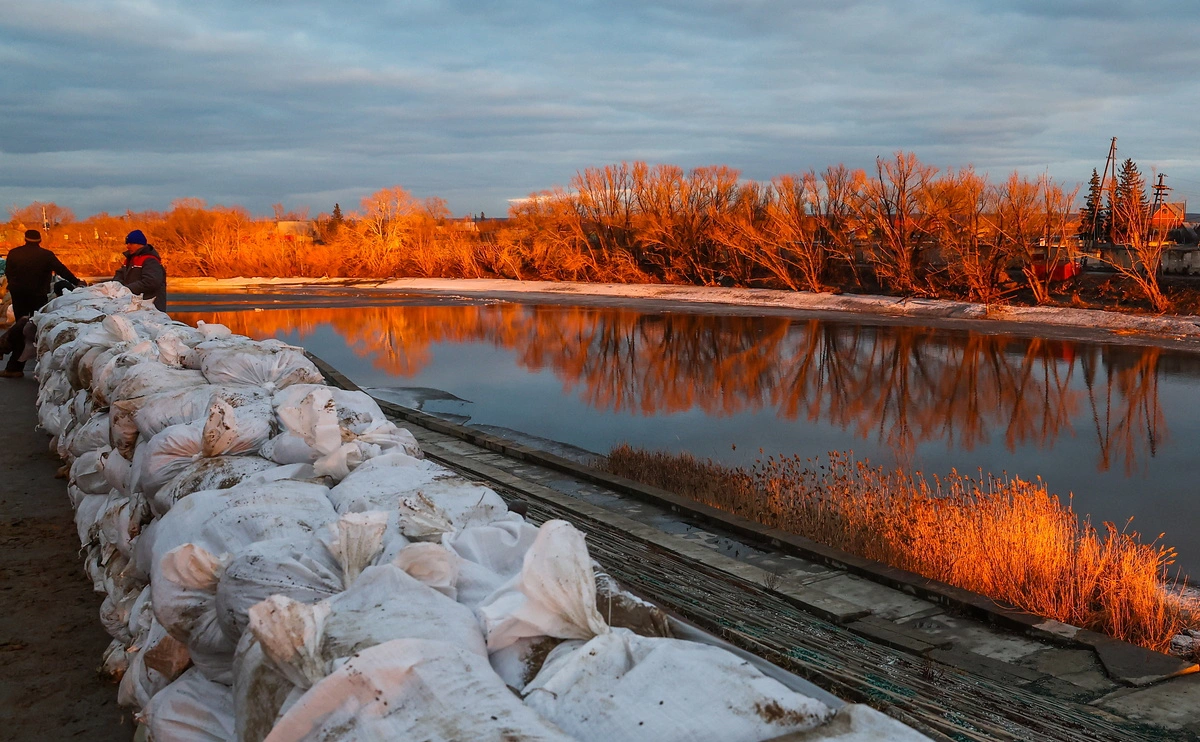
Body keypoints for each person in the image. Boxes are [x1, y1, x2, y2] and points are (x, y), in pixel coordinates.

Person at [1, 229, 83, 378]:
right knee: (36, 328)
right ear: (40, 240)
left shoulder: (14, 253)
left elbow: (8, 273)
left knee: (22, 326)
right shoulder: (46, 255)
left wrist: (14, 284)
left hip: (18, 295)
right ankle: (23, 363)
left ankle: (13, 364)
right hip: (38, 296)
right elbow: (61, 270)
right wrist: (76, 282)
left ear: (25, 239)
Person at [114, 229, 167, 312]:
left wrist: (126, 289)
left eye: (131, 243)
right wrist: (115, 287)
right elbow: (119, 275)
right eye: (127, 243)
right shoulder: (130, 259)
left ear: (140, 244)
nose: (128, 246)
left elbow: (151, 282)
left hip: (151, 308)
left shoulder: (150, 260)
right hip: (135, 306)